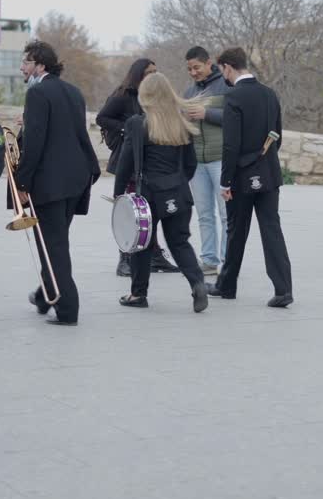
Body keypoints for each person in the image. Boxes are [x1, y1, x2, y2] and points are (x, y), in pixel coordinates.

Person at [15, 40, 100, 326]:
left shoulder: (38, 93)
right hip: (76, 179)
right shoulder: (73, 92)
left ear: (40, 65)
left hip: (50, 183)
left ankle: (67, 310)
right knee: (56, 242)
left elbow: (36, 143)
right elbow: (75, 133)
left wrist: (21, 182)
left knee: (54, 248)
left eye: (26, 62)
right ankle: (44, 295)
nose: (21, 67)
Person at [112, 73, 209, 313]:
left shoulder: (137, 123)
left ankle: (138, 294)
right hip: (178, 192)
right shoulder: (181, 123)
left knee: (141, 244)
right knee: (179, 242)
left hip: (148, 194)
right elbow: (190, 165)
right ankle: (197, 283)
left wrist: (118, 197)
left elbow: (125, 163)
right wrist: (177, 183)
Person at [208, 48, 293, 308]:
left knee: (236, 230)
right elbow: (276, 135)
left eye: (221, 69)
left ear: (227, 67)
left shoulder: (233, 97)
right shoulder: (270, 94)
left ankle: (227, 286)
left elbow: (230, 145)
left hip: (241, 176)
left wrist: (225, 181)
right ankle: (283, 290)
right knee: (272, 229)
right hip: (268, 173)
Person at [96, 58, 179, 276]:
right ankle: (124, 258)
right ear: (137, 74)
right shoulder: (123, 95)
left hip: (150, 163)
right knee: (130, 212)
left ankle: (155, 255)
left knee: (151, 211)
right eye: (148, 72)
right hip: (129, 159)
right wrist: (128, 129)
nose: (153, 75)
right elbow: (102, 117)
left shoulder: (156, 96)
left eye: (155, 71)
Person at [182, 46, 230, 275]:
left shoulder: (226, 86)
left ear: (208, 63)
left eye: (196, 67)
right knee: (204, 214)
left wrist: (206, 114)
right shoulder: (189, 92)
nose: (193, 72)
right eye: (190, 68)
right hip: (197, 163)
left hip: (221, 159)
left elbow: (236, 118)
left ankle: (228, 261)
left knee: (226, 214)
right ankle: (209, 261)